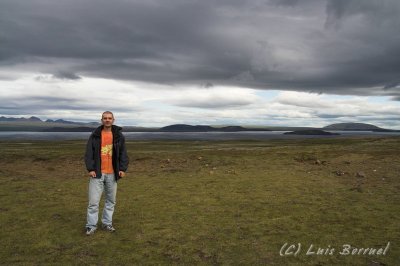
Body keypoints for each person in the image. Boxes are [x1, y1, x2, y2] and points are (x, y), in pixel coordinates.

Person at [84, 111, 129, 236]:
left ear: (113, 120)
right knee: (93, 202)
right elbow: (89, 154)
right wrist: (91, 169)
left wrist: (122, 169)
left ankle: (107, 223)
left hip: (112, 173)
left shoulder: (119, 136)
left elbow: (123, 154)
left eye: (109, 118)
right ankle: (91, 226)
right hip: (97, 173)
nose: (107, 120)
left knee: (110, 201)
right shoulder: (95, 135)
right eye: (105, 118)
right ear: (101, 120)